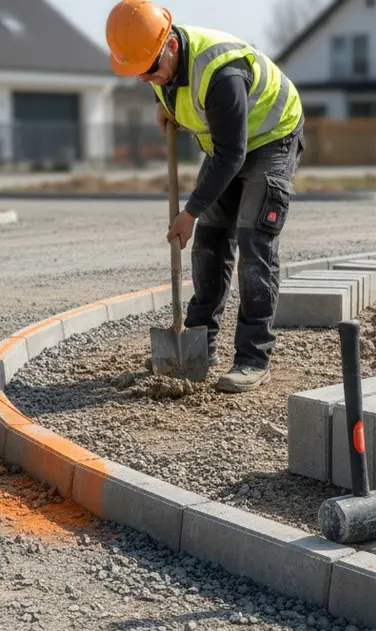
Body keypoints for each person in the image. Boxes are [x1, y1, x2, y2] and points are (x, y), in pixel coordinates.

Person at [106, 0, 305, 393]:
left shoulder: (220, 73)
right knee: (210, 245)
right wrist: (169, 112)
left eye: (149, 69)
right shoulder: (160, 66)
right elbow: (189, 109)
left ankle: (252, 358)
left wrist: (190, 211)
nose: (145, 78)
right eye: (137, 73)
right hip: (225, 147)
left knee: (253, 244)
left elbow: (234, 153)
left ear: (172, 45)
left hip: (272, 138)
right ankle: (198, 345)